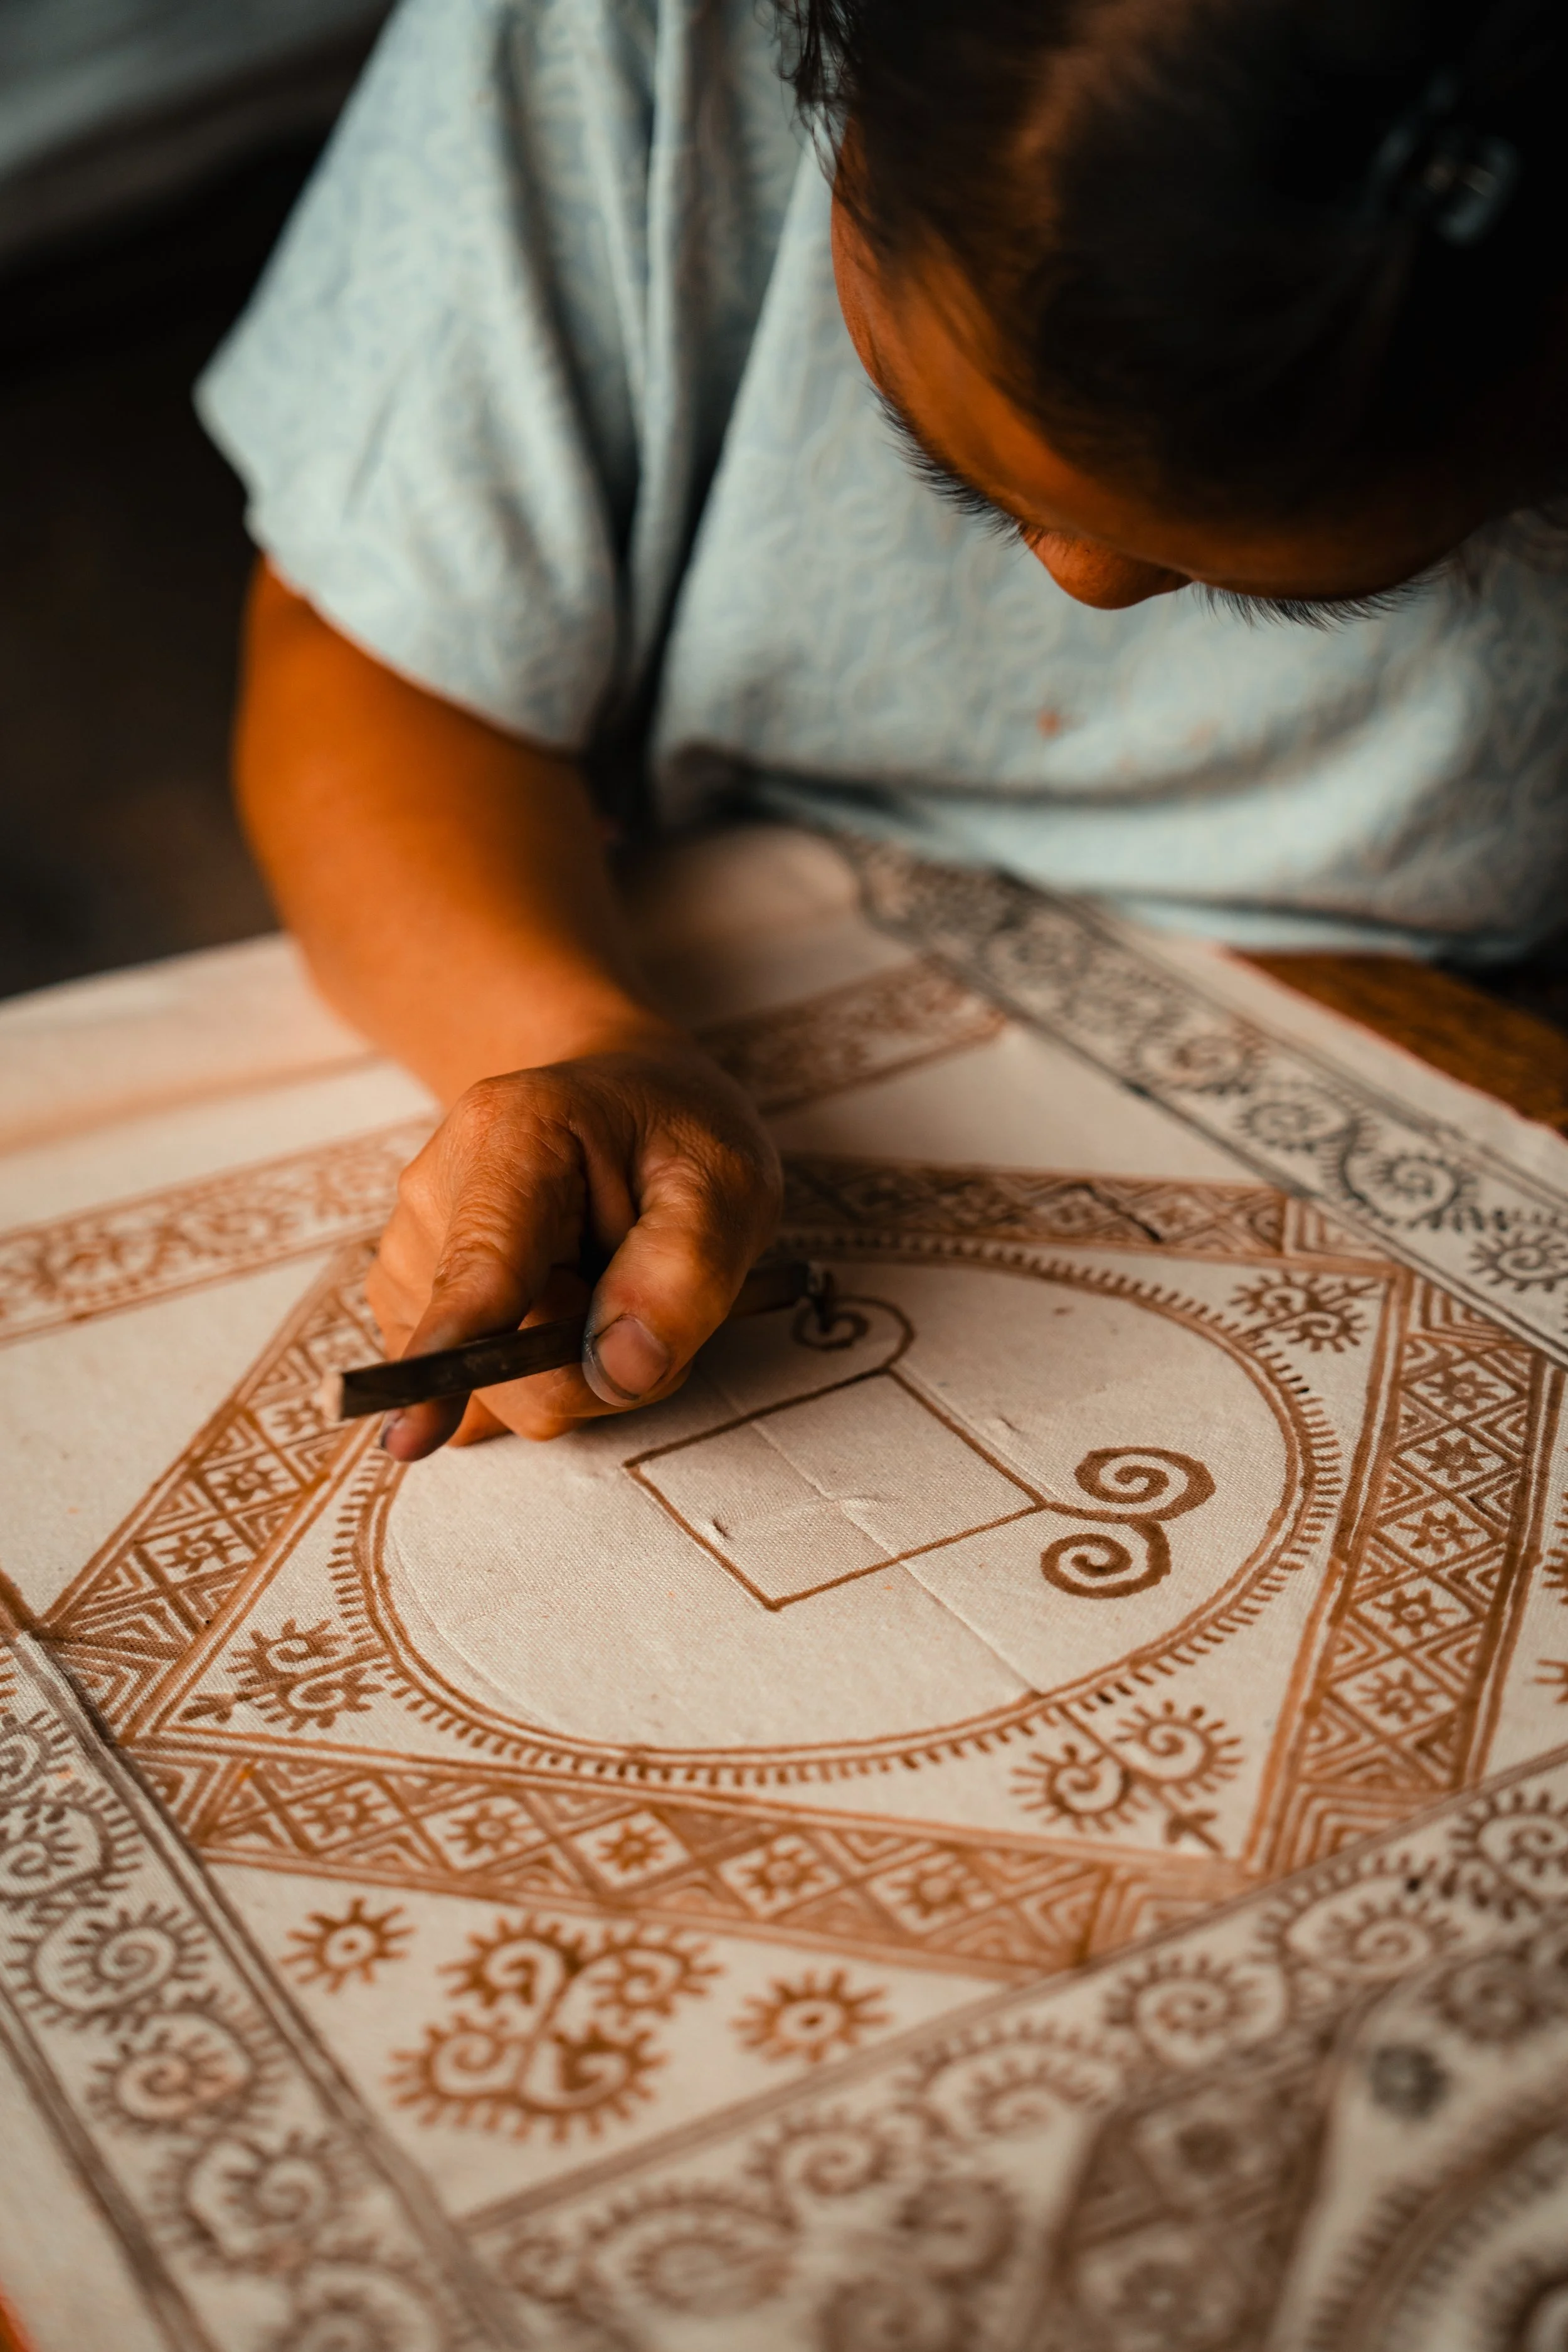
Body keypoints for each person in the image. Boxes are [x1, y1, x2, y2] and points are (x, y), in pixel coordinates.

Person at [203, 0, 1568, 1461]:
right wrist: (568, 1034)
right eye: (972, 476)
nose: (1085, 582)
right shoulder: (629, 39)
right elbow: (371, 659)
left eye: (1266, 584)